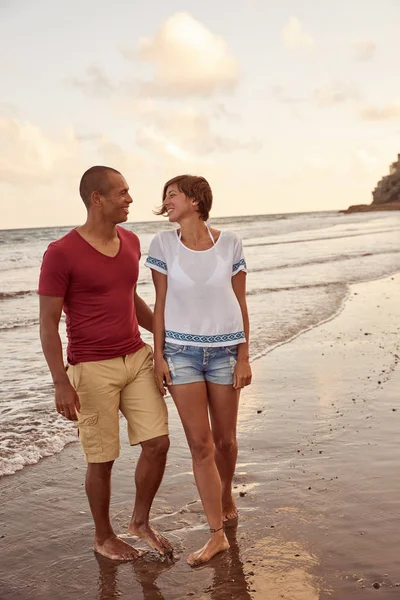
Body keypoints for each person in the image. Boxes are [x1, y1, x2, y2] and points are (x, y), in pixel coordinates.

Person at [38, 166, 172, 562]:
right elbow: (47, 322)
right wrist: (60, 382)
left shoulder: (130, 241)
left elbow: (129, 299)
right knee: (102, 459)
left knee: (158, 443)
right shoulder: (61, 253)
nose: (130, 199)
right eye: (122, 192)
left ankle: (140, 522)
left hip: (136, 358)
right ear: (97, 198)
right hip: (90, 369)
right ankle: (103, 536)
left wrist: (166, 337)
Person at [145, 175, 252, 566]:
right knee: (200, 445)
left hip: (225, 352)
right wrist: (158, 356)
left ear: (194, 199)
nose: (165, 201)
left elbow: (240, 302)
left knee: (226, 441)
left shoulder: (231, 243)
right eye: (165, 196)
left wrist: (244, 355)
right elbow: (159, 304)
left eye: (171, 194)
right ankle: (215, 535)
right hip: (180, 353)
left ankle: (225, 496)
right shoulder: (162, 244)